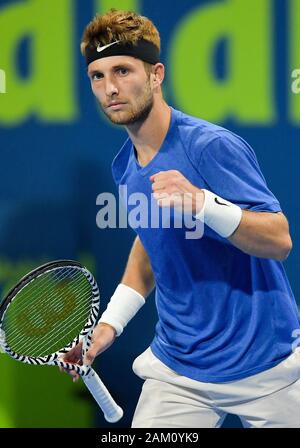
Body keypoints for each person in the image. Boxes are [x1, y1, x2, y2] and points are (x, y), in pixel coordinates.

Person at [61, 9, 300, 428]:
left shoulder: (210, 147)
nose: (110, 88)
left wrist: (203, 203)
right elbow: (152, 247)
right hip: (179, 371)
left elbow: (279, 240)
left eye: (122, 70)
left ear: (156, 74)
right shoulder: (126, 168)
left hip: (267, 367)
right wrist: (109, 327)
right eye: (97, 76)